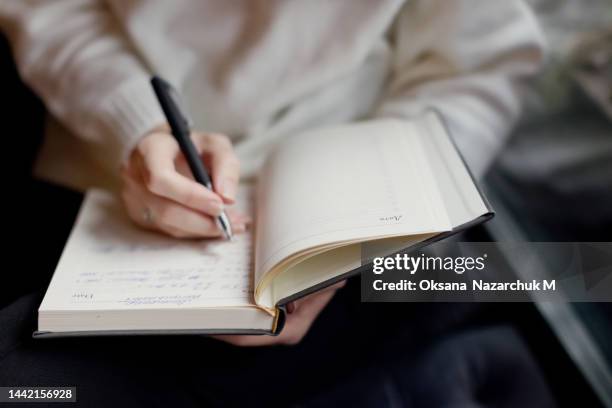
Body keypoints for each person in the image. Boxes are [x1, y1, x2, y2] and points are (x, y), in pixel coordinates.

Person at [0, 0, 548, 401]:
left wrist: (367, 215)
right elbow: (50, 10)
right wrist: (134, 123)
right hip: (98, 168)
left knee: (562, 275)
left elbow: (480, 63)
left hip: (350, 196)